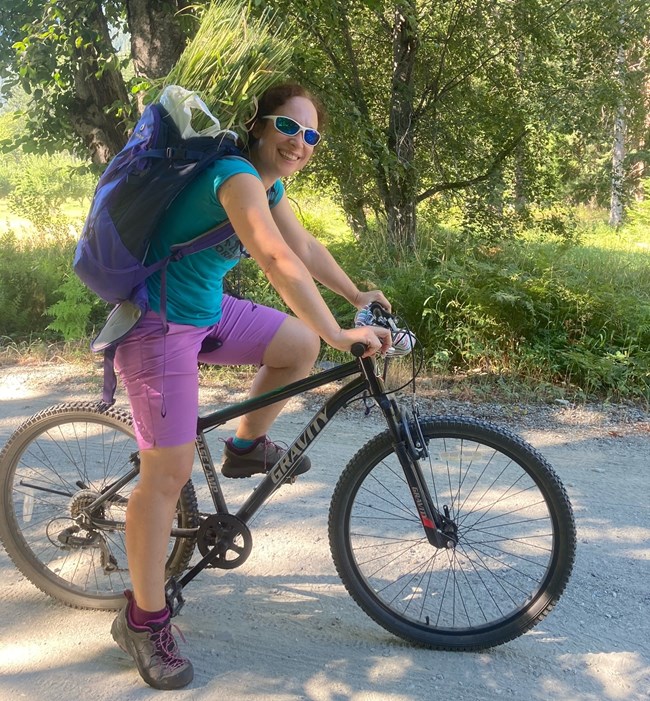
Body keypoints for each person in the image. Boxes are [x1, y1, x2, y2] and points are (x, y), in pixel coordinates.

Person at [108, 82, 392, 690]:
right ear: (260, 125)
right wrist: (342, 334)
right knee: (167, 474)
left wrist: (356, 296)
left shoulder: (270, 184)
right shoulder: (235, 176)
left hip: (204, 311)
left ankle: (242, 449)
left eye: (312, 135)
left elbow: (304, 246)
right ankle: (142, 619)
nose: (300, 143)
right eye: (290, 128)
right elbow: (276, 261)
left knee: (297, 345)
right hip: (158, 324)